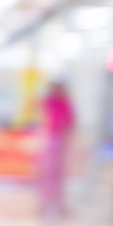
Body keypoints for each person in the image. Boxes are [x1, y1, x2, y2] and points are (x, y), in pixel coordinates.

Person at [38, 80, 76, 217]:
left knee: (58, 174)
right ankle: (44, 203)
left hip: (61, 139)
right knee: (48, 172)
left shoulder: (65, 102)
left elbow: (70, 121)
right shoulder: (50, 101)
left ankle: (57, 204)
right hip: (51, 137)